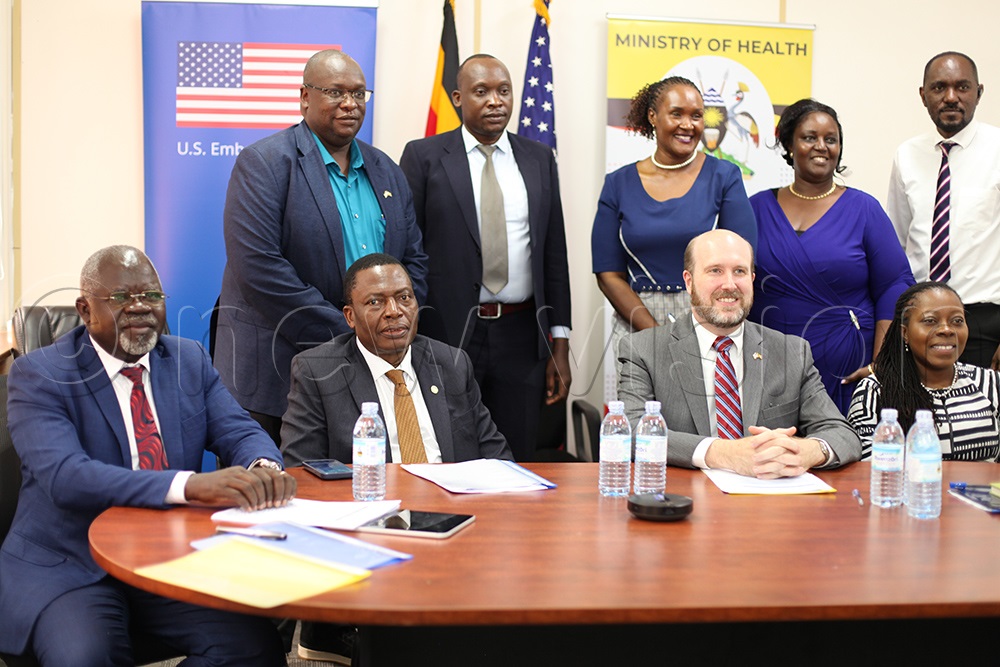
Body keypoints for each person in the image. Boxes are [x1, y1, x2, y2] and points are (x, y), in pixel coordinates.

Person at [0, 246, 293, 665]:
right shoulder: (41, 374)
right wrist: (190, 486)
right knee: (86, 657)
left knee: (253, 648)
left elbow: (238, 429)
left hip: (167, 556)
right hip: (74, 563)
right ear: (85, 309)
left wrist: (261, 466)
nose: (140, 307)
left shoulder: (187, 359)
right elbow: (67, 476)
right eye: (122, 298)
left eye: (152, 296)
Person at [216, 48, 428, 445]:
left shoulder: (388, 171)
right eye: (335, 92)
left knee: (355, 492)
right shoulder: (263, 163)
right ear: (304, 97)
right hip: (277, 372)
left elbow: (413, 261)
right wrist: (351, 336)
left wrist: (391, 321)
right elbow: (258, 269)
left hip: (368, 373)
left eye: (359, 94)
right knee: (272, 498)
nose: (350, 104)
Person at [399, 54, 570, 461]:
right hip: (447, 330)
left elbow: (554, 252)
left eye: (503, 91)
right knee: (449, 447)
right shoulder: (423, 157)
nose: (496, 101)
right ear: (458, 99)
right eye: (482, 92)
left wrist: (559, 341)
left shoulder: (539, 159)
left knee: (516, 452)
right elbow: (408, 248)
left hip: (521, 333)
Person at [618, 230, 861, 477]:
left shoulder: (791, 352)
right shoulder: (643, 350)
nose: (730, 285)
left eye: (740, 271)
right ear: (688, 281)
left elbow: (842, 434)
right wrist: (723, 453)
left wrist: (802, 451)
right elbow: (631, 432)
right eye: (715, 271)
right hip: (685, 500)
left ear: (752, 279)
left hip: (768, 502)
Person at [749, 99, 914, 415]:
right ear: (788, 143)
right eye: (809, 137)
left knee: (844, 455)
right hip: (769, 364)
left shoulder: (864, 209)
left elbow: (894, 286)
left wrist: (881, 363)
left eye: (831, 139)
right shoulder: (755, 208)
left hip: (848, 366)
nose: (821, 146)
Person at [282, 253, 513, 465]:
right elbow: (302, 471)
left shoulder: (453, 363)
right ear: (350, 316)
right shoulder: (316, 371)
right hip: (373, 504)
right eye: (375, 302)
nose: (394, 311)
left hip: (453, 505)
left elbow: (497, 456)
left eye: (404, 297)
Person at [591, 76, 756, 370]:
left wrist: (701, 329)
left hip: (710, 319)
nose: (688, 125)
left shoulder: (724, 177)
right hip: (637, 322)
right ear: (653, 116)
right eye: (677, 113)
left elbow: (742, 260)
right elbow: (608, 273)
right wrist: (656, 335)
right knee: (642, 416)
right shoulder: (618, 184)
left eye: (696, 116)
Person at [888, 51, 1000, 370]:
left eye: (962, 87)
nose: (951, 97)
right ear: (923, 96)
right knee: (921, 419)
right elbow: (898, 244)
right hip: (921, 324)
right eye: (939, 88)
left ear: (979, 93)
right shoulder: (906, 155)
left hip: (984, 324)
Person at [848, 281, 1000, 461]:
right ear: (905, 333)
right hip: (908, 489)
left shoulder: (990, 383)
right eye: (930, 321)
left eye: (957, 321)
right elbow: (868, 469)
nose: (946, 330)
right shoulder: (873, 391)